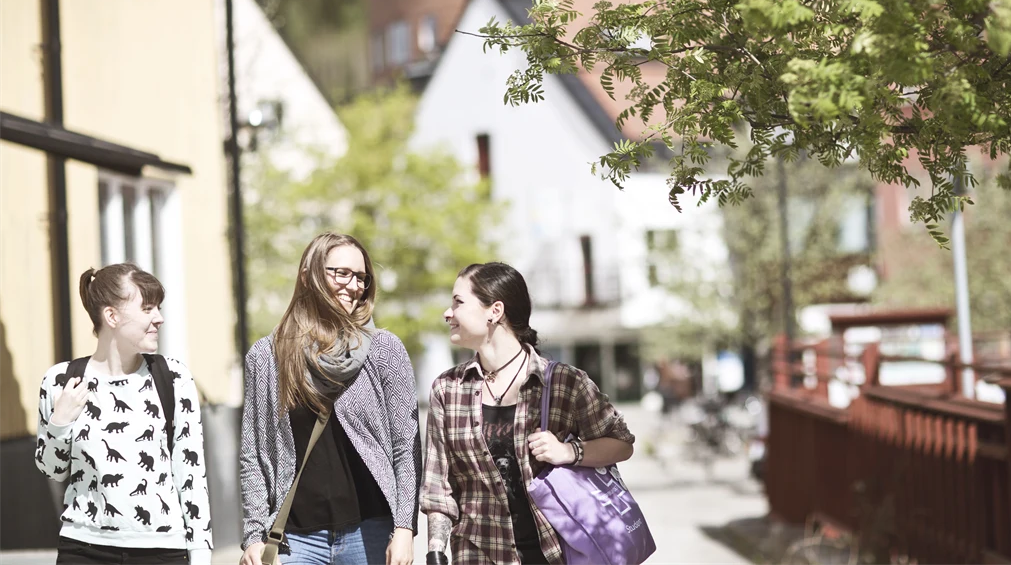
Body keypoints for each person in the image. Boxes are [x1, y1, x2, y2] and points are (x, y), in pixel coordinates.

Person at [422, 263, 636, 565]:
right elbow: (438, 486)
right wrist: (435, 550)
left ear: (494, 311)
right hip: (478, 555)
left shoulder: (564, 383)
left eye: (458, 302)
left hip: (555, 553)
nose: (448, 313)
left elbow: (622, 443)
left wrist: (569, 451)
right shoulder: (448, 389)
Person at [239, 232, 420, 565]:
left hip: (371, 532)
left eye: (362, 278)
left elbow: (405, 446)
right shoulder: (267, 356)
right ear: (309, 276)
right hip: (294, 541)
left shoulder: (384, 350)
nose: (354, 286)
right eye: (342, 273)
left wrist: (405, 529)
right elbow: (254, 452)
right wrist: (253, 535)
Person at [35, 263, 213, 565]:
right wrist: (60, 421)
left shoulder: (173, 378)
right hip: (83, 548)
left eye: (158, 307)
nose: (159, 318)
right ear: (112, 316)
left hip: (162, 550)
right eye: (147, 309)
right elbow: (52, 470)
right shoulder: (61, 381)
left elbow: (191, 474)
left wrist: (200, 553)